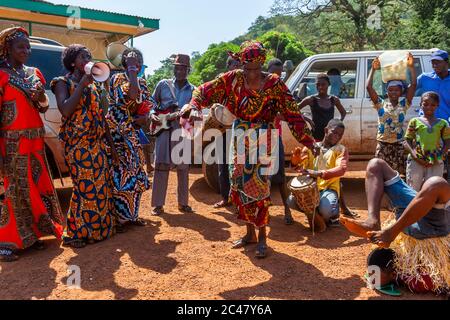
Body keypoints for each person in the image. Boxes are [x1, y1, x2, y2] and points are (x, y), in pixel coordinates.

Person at [187, 41, 315, 258]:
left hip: (264, 136)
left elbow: (293, 114)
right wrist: (193, 106)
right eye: (248, 69)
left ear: (262, 64)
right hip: (240, 136)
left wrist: (310, 142)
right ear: (242, 64)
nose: (252, 74)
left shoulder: (274, 83)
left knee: (260, 188)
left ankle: (263, 237)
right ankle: (249, 234)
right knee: (239, 184)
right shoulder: (234, 78)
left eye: (256, 69)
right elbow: (204, 90)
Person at [0, 27, 63, 262]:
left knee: (36, 187)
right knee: (15, 191)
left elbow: (44, 106)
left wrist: (41, 98)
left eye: (27, 47)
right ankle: (7, 243)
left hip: (35, 139)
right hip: (12, 142)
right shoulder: (1, 74)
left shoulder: (34, 73)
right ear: (8, 49)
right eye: (20, 47)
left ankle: (33, 234)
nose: (26, 50)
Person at [51, 44, 116, 248]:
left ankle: (99, 230)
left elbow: (100, 116)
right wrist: (82, 85)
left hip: (96, 144)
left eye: (89, 56)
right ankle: (75, 232)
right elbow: (66, 110)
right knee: (84, 188)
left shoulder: (95, 86)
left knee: (101, 187)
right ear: (72, 62)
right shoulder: (62, 82)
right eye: (82, 56)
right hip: (77, 145)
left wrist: (111, 146)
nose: (87, 59)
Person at [107, 48, 153, 227]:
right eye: (132, 60)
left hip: (132, 134)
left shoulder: (142, 82)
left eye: (138, 60)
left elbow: (145, 104)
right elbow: (131, 96)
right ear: (125, 62)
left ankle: (132, 216)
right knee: (120, 177)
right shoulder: (116, 78)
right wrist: (132, 72)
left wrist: (144, 117)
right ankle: (120, 219)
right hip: (117, 134)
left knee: (135, 175)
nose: (136, 63)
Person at [151, 54, 195, 216]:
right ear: (174, 69)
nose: (180, 71)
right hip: (164, 129)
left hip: (183, 131)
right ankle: (157, 204)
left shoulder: (193, 90)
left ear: (188, 70)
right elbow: (152, 103)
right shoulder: (163, 85)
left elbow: (196, 108)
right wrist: (151, 113)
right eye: (177, 68)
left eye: (183, 68)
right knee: (161, 165)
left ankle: (183, 204)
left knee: (183, 168)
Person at [288, 119, 349, 231]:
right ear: (326, 130)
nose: (337, 136)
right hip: (311, 188)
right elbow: (298, 167)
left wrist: (318, 173)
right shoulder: (310, 147)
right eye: (334, 132)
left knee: (325, 209)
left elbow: (341, 169)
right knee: (291, 201)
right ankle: (314, 214)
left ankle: (332, 214)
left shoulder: (341, 149)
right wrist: (294, 162)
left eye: (340, 135)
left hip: (328, 188)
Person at [367, 53, 416, 175]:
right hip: (383, 145)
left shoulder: (404, 103)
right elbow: (368, 87)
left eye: (396, 90)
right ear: (387, 91)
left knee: (398, 175)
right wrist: (373, 69)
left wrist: (411, 67)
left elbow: (414, 85)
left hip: (398, 145)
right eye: (390, 90)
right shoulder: (380, 104)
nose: (393, 92)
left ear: (401, 91)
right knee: (380, 174)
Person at [403, 91, 450, 191]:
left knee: (432, 188)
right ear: (420, 105)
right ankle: (413, 206)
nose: (429, 107)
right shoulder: (414, 121)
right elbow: (407, 140)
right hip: (416, 160)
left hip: (436, 161)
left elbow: (447, 142)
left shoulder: (443, 123)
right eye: (425, 104)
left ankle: (431, 207)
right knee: (413, 188)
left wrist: (438, 157)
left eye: (433, 105)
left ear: (437, 106)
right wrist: (415, 155)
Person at [267, 58, 295, 225]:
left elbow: (286, 113)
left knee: (280, 177)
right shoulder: (259, 88)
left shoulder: (281, 91)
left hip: (274, 138)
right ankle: (263, 212)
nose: (276, 77)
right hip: (261, 138)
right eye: (273, 73)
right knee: (264, 178)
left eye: (278, 75)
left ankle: (287, 209)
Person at [416, 49, 450, 183]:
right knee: (423, 161)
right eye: (433, 63)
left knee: (442, 162)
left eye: (438, 62)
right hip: (426, 127)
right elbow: (409, 89)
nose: (434, 65)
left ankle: (441, 195)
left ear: (446, 62)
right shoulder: (424, 78)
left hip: (445, 127)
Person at [213, 56, 241, 209]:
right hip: (222, 129)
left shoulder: (245, 82)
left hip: (240, 129)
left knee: (239, 165)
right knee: (222, 165)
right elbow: (214, 101)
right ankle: (225, 197)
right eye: (234, 64)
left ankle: (239, 199)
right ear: (228, 66)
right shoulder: (221, 81)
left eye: (239, 64)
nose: (237, 67)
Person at [299, 73, 347, 142]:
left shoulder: (334, 99)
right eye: (318, 85)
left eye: (323, 84)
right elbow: (293, 110)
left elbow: (343, 113)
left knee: (330, 153)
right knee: (317, 152)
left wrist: (337, 126)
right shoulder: (311, 99)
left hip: (330, 138)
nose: (320, 87)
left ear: (328, 85)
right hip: (316, 136)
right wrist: (308, 120)